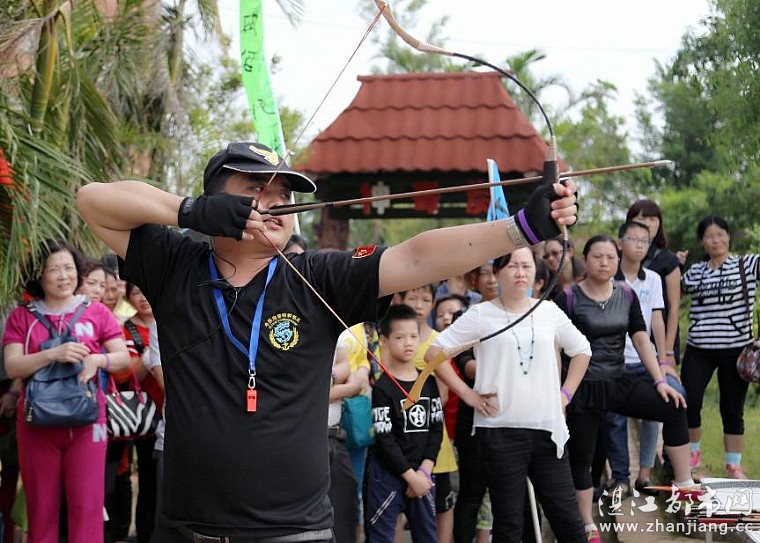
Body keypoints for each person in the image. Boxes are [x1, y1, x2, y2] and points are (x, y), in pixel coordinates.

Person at [75, 140, 577, 541]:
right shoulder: (175, 264)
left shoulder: (317, 276)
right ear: (216, 199)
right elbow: (92, 200)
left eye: (284, 195)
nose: (276, 203)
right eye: (255, 188)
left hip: (294, 528)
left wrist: (521, 228)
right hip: (188, 526)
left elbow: (415, 257)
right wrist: (190, 211)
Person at [429, 248, 591, 543]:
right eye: (512, 265)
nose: (520, 272)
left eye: (526, 266)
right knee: (508, 523)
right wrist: (467, 394)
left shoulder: (549, 311)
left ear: (535, 272)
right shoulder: (480, 314)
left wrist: (565, 395)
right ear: (497, 272)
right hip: (499, 430)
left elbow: (582, 350)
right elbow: (434, 353)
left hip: (547, 430)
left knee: (568, 520)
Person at [555, 235, 695, 543]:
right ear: (585, 261)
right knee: (583, 457)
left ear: (617, 261)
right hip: (582, 387)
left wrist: (660, 381)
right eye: (597, 257)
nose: (604, 262)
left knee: (674, 406)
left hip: (618, 381)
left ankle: (684, 484)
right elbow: (556, 347)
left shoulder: (627, 295)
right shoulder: (568, 298)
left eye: (610, 257)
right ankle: (586, 523)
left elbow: (641, 338)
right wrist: (559, 393)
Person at [2, 239, 131, 543]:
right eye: (54, 269)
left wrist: (98, 360)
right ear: (39, 275)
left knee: (87, 508)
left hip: (88, 423)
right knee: (41, 510)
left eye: (69, 268)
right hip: (36, 424)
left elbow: (122, 357)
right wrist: (52, 354)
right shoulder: (22, 316)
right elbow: (13, 367)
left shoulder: (96, 312)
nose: (64, 276)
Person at [602, 221, 684, 496]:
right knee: (614, 419)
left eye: (644, 241)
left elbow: (657, 321)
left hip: (645, 359)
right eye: (633, 239)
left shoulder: (653, 279)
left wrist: (664, 360)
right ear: (620, 243)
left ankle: (645, 473)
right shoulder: (608, 281)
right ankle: (620, 477)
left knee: (663, 404)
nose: (639, 245)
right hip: (616, 362)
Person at [680, 216, 759, 479]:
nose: (716, 240)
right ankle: (692, 455)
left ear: (728, 236)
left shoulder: (747, 265)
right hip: (699, 348)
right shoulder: (696, 272)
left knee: (732, 409)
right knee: (690, 400)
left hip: (736, 349)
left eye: (720, 234)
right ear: (702, 241)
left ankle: (733, 466)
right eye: (709, 236)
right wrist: (675, 264)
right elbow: (673, 293)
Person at [365, 304, 442, 542]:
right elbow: (385, 438)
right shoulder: (382, 387)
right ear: (384, 341)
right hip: (387, 475)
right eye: (400, 337)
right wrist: (410, 477)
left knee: (427, 535)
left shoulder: (428, 382)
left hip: (423, 473)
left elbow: (436, 429)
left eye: (413, 336)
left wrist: (424, 471)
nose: (408, 343)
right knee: (381, 537)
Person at [398, 285, 458, 543]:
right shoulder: (389, 338)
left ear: (433, 303)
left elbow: (443, 395)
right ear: (400, 300)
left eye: (425, 299)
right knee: (396, 506)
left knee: (442, 504)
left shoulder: (438, 341)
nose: (419, 305)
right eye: (413, 298)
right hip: (398, 436)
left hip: (433, 437)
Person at [328, 340, 363, 543]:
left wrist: (333, 376)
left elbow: (345, 364)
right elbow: (308, 391)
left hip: (336, 435)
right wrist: (350, 387)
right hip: (306, 438)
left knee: (345, 506)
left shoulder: (331, 329)